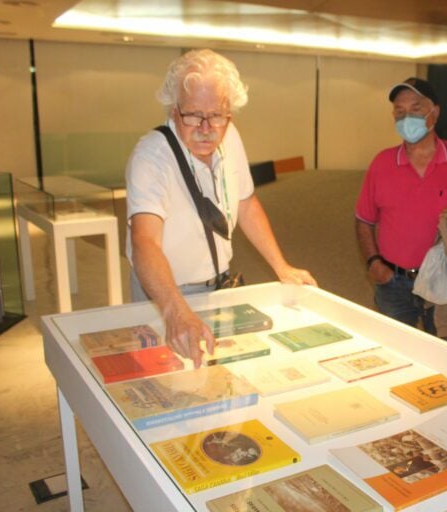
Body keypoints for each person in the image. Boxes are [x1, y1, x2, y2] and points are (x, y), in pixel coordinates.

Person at [126, 49, 316, 368]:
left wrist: (281, 266)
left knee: (220, 378)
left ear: (229, 113)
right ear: (174, 109)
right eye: (193, 115)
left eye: (216, 115)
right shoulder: (151, 156)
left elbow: (246, 203)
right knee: (167, 380)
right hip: (165, 294)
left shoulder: (230, 136)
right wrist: (174, 310)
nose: (206, 128)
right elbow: (145, 241)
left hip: (219, 287)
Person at [355, 77, 447, 336]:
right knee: (394, 350)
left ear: (434, 113)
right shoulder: (381, 163)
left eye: (416, 109)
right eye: (399, 111)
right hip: (393, 282)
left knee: (442, 352)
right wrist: (373, 264)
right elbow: (364, 219)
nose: (406, 118)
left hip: (445, 280)